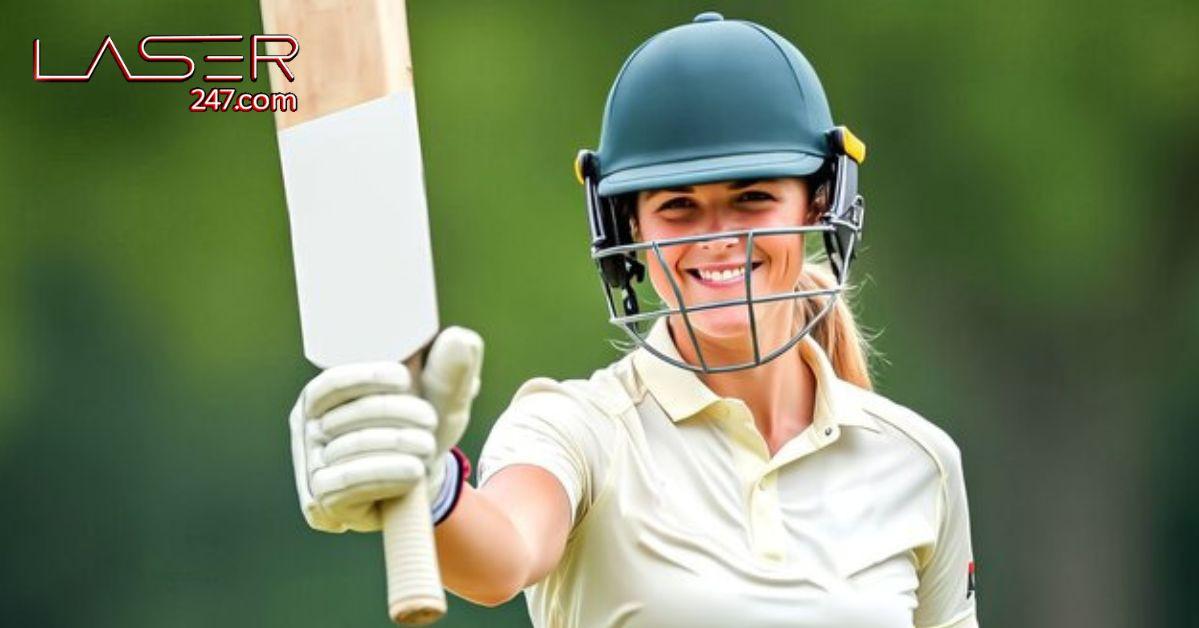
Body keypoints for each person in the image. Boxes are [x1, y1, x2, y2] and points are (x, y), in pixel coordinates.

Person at [288, 11, 979, 628]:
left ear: (818, 204)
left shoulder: (918, 462)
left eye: (752, 197)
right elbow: (504, 557)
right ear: (630, 229)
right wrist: (433, 488)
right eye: (678, 206)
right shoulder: (579, 428)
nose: (718, 237)